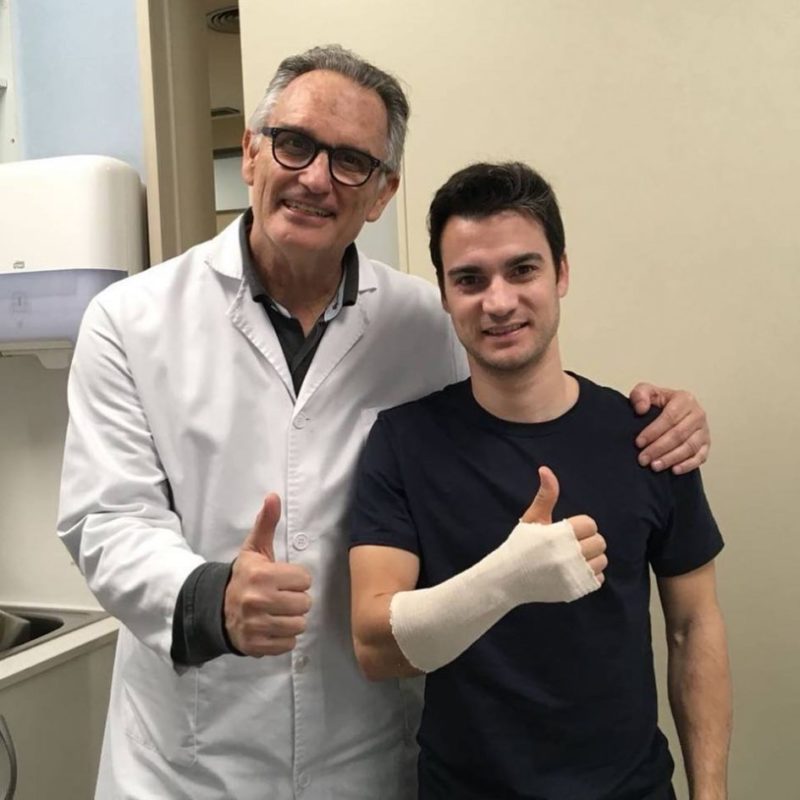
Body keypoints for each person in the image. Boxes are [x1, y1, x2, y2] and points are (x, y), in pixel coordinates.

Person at [57, 45, 712, 800]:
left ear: (382, 192)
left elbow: (521, 391)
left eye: (351, 162)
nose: (315, 178)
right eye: (294, 143)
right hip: (188, 758)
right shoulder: (129, 320)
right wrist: (211, 599)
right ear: (251, 151)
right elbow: (107, 519)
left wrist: (662, 416)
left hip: (363, 755)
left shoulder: (425, 322)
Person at [349, 162, 731, 800]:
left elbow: (694, 626)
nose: (498, 302)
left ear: (561, 273)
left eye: (522, 269)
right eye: (469, 280)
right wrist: (504, 581)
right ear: (444, 294)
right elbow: (374, 647)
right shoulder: (403, 442)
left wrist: (711, 794)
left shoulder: (651, 436)